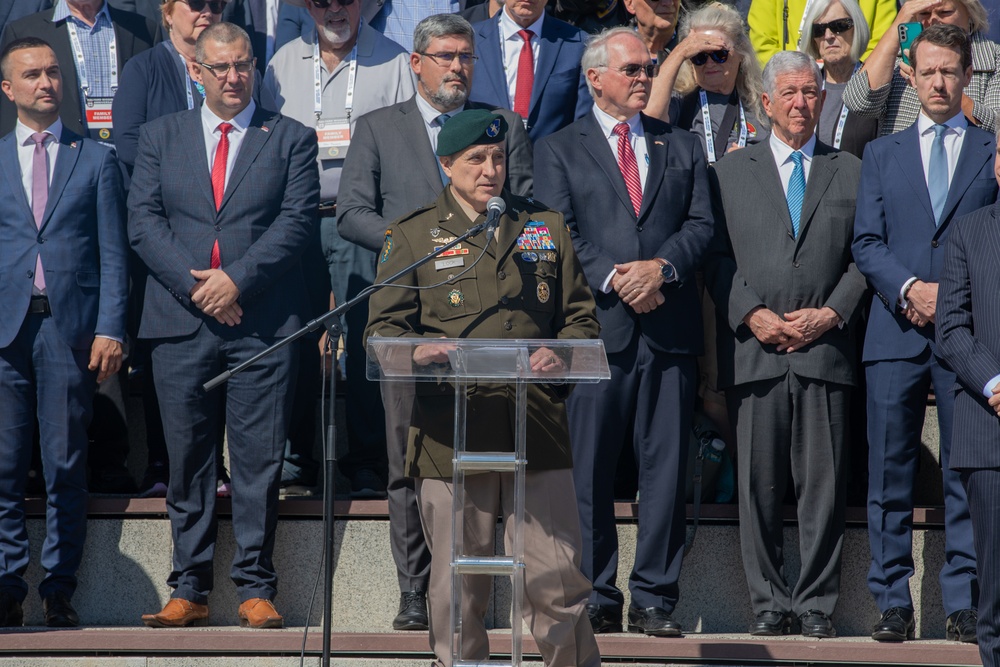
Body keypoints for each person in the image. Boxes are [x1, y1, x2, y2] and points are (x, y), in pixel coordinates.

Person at [365, 107, 601, 667]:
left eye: (498, 158)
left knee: (555, 577)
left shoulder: (544, 225)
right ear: (447, 164)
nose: (490, 169)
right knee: (455, 587)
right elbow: (383, 330)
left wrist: (560, 351)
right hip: (451, 433)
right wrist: (416, 351)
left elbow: (581, 319)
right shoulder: (414, 233)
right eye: (476, 159)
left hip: (535, 427)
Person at [336, 12, 532, 631]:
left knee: (484, 459)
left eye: (466, 57)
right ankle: (415, 588)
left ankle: (475, 586)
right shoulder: (376, 127)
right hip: (405, 319)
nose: (457, 67)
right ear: (415, 63)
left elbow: (524, 211)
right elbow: (350, 212)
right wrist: (419, 242)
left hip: (487, 319)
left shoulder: (505, 127)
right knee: (405, 460)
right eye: (445, 56)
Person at [131, 22, 319, 629]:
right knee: (188, 461)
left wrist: (236, 280)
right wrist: (199, 290)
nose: (233, 78)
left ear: (255, 68)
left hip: (261, 324)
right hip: (180, 324)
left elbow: (294, 225)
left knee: (260, 461)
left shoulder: (290, 138)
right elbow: (143, 223)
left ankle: (255, 586)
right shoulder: (160, 136)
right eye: (220, 68)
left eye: (243, 66)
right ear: (196, 71)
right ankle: (189, 586)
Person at [534, 27, 714, 636]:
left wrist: (660, 269)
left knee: (665, 471)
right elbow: (558, 231)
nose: (644, 77)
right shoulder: (558, 148)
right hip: (595, 331)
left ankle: (656, 597)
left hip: (667, 331)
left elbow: (700, 225)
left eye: (648, 68)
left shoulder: (681, 145)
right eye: (632, 68)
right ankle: (595, 594)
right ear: (595, 78)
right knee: (588, 470)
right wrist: (617, 277)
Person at [705, 49, 865, 639]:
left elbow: (863, 254)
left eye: (811, 93)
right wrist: (753, 314)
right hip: (756, 352)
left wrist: (830, 313)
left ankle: (818, 605)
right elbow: (715, 259)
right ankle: (769, 603)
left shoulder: (849, 168)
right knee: (758, 487)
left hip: (826, 351)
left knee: (823, 489)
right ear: (766, 102)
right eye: (790, 93)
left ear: (822, 101)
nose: (801, 103)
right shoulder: (727, 173)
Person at [853, 23, 997, 644]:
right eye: (928, 70)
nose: (939, 82)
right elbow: (866, 241)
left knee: (965, 472)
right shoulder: (882, 154)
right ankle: (892, 599)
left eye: (950, 71)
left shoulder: (990, 151)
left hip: (970, 337)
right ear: (910, 74)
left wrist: (951, 300)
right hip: (895, 330)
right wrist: (912, 290)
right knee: (888, 472)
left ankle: (964, 600)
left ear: (969, 76)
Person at [0, 36, 128, 627]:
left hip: (68, 329)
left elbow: (113, 256)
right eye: (31, 74)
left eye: (53, 72)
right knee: (3, 464)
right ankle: (6, 582)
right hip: (5, 331)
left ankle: (59, 585)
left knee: (64, 462)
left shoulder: (95, 159)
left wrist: (110, 328)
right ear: (8, 88)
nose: (45, 82)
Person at [263, 0, 415, 498]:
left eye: (344, 0)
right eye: (321, 1)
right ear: (308, 7)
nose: (334, 10)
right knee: (295, 336)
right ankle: (295, 458)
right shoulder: (282, 62)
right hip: (296, 221)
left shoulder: (393, 60)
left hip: (363, 221)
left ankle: (368, 459)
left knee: (368, 334)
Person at [936, 129, 1000, 667]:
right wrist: (995, 384)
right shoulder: (969, 232)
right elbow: (952, 327)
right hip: (991, 431)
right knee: (996, 600)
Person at [0, 0, 160, 139]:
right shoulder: (24, 30)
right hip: (62, 159)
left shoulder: (144, 29)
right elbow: (8, 111)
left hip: (129, 159)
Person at [843, 0, 1000, 135]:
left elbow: (996, 127)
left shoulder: (993, 58)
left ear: (970, 14)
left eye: (945, 12)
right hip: (904, 163)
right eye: (924, 13)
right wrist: (898, 24)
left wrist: (939, 88)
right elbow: (858, 102)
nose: (933, 21)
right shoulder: (899, 56)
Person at [647, 2, 768, 159]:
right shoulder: (679, 100)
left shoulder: (760, 103)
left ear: (741, 53)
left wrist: (751, 162)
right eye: (699, 56)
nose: (710, 63)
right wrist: (680, 51)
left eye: (719, 54)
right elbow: (649, 118)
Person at [469, 0, 592, 141]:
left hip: (551, 158)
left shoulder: (578, 42)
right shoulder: (470, 39)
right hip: (485, 154)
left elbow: (583, 120)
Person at [799, 0, 877, 158]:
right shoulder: (803, 89)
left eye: (839, 26)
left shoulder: (874, 84)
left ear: (857, 28)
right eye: (819, 29)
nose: (828, 36)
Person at [747, 0, 895, 68]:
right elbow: (762, 44)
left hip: (855, 83)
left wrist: (853, 81)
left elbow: (881, 46)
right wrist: (795, 82)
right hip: (790, 86)